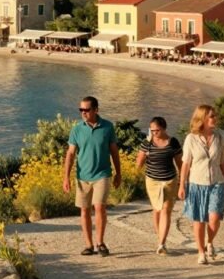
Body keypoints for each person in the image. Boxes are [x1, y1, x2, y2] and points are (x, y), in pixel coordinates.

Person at [63, 96, 121, 257]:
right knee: (84, 210)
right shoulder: (77, 129)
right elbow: (70, 154)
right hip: (82, 176)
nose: (83, 113)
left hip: (102, 174)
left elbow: (114, 152)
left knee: (99, 207)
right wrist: (66, 177)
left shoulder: (108, 127)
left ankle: (100, 243)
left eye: (86, 110)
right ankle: (89, 245)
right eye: (81, 110)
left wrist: (118, 173)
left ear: (96, 110)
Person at [178, 104, 224, 265]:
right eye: (211, 116)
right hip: (197, 184)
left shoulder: (219, 137)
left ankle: (209, 241)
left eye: (215, 115)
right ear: (202, 118)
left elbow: (223, 162)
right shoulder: (191, 138)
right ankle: (201, 252)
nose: (215, 118)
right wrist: (182, 185)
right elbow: (186, 164)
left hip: (217, 182)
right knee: (199, 219)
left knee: (214, 218)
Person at [135, 116, 182, 255]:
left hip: (169, 180)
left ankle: (162, 243)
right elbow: (139, 163)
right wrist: (144, 155)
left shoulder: (173, 142)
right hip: (152, 180)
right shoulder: (147, 143)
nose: (154, 133)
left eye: (157, 130)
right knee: (157, 209)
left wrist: (183, 181)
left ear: (164, 128)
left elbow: (180, 163)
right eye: (152, 130)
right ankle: (159, 237)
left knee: (166, 209)